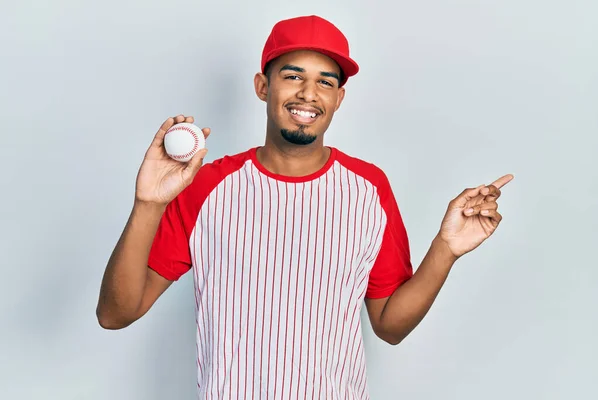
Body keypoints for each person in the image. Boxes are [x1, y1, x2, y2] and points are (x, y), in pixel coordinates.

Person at [96, 14, 513, 399]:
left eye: (325, 82)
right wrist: (148, 203)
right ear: (263, 86)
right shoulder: (207, 184)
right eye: (293, 76)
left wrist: (445, 248)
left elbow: (390, 325)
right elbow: (116, 313)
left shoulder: (368, 188)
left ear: (339, 98)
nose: (308, 94)